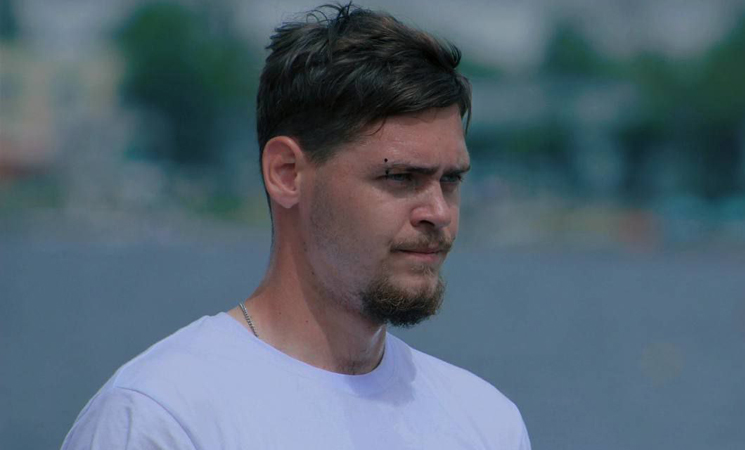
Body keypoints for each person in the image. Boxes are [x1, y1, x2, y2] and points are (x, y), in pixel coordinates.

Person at [61, 3, 530, 449]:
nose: (439, 212)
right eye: (401, 177)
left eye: (450, 180)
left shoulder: (487, 424)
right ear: (286, 174)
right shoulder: (161, 419)